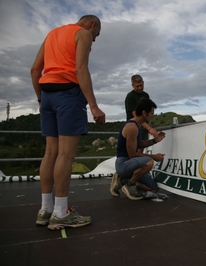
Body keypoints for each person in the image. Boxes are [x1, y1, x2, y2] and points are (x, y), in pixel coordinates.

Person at [31, 15, 106, 230]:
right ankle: (61, 213)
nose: (95, 39)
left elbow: (35, 70)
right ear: (93, 25)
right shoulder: (83, 34)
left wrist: (40, 99)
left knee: (50, 153)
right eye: (97, 34)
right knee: (65, 154)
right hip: (68, 95)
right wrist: (93, 105)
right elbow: (80, 69)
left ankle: (45, 209)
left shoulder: (52, 34)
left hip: (47, 95)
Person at [111, 98, 167, 201]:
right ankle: (130, 184)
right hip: (123, 163)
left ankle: (123, 181)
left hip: (131, 164)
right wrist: (154, 157)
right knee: (149, 162)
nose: (152, 116)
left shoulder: (137, 125)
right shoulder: (132, 127)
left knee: (153, 189)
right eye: (151, 113)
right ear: (144, 113)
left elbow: (138, 144)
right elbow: (132, 154)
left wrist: (154, 141)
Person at [125, 75, 157, 152]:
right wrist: (149, 128)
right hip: (134, 126)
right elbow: (136, 115)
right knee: (134, 148)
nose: (139, 88)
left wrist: (149, 123)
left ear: (143, 83)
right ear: (133, 85)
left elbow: (149, 111)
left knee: (142, 147)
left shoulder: (145, 95)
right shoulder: (130, 97)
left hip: (144, 127)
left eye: (141, 85)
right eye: (137, 86)